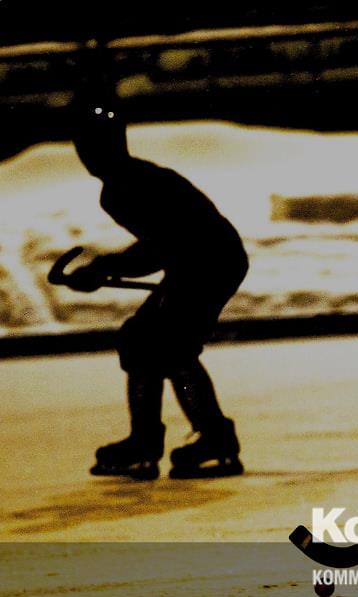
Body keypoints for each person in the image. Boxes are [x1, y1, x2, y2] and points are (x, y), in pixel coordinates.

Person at [64, 103, 249, 480]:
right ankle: (151, 439)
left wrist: (103, 268)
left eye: (93, 146)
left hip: (210, 263)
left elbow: (161, 247)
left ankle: (208, 438)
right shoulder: (122, 187)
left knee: (171, 346)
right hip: (200, 262)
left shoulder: (131, 186)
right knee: (141, 340)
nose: (88, 156)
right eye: (83, 147)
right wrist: (105, 269)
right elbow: (162, 247)